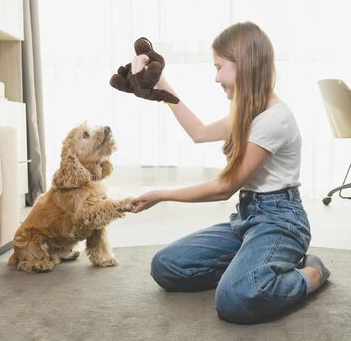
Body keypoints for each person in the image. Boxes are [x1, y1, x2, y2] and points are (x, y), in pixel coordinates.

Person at [130, 22, 330, 324]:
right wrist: (161, 88)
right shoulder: (248, 111)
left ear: (243, 65)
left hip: (281, 222)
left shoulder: (275, 119)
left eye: (219, 66)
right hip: (248, 219)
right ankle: (252, 269)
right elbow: (198, 132)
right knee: (166, 266)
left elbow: (224, 187)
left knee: (234, 300)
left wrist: (161, 194)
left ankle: (311, 274)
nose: (215, 77)